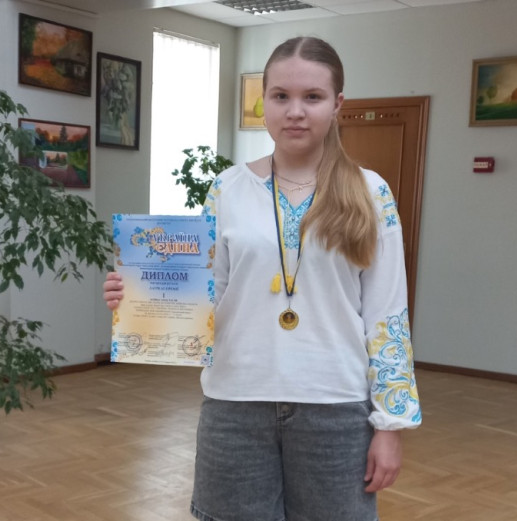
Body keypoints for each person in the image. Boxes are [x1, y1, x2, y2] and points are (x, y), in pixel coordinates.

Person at [103, 36, 421, 521]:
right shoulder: (226, 189)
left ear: (337, 104)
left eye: (312, 97)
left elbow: (388, 315)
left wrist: (390, 426)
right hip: (235, 404)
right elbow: (207, 299)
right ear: (263, 103)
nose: (295, 111)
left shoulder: (370, 192)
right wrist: (139, 297)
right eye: (280, 96)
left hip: (335, 407)